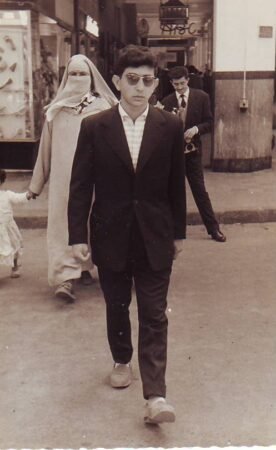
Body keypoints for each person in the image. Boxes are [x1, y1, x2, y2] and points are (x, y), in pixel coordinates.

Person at [68, 45, 186, 424]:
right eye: (132, 80)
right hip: (110, 233)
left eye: (147, 81)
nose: (139, 87)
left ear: (156, 83)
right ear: (117, 81)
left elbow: (175, 185)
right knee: (117, 306)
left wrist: (179, 233)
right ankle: (122, 358)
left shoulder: (169, 126)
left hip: (155, 234)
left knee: (154, 314)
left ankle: (156, 396)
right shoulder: (95, 126)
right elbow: (81, 184)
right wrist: (77, 235)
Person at [29, 54, 118, 302]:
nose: (78, 79)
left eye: (83, 74)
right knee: (61, 226)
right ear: (66, 78)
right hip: (62, 183)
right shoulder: (55, 112)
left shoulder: (104, 108)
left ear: (92, 79)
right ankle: (64, 278)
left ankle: (85, 266)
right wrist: (36, 185)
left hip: (97, 180)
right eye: (73, 74)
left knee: (93, 223)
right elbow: (44, 152)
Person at [161, 66, 226, 242]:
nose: (180, 87)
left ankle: (213, 229)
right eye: (176, 85)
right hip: (174, 155)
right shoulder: (166, 101)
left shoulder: (202, 97)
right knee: (173, 193)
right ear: (171, 83)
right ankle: (174, 232)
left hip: (193, 153)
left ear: (188, 80)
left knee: (199, 191)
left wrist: (196, 129)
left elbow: (209, 122)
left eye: (182, 83)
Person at [0, 169, 32, 278]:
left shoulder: (7, 195)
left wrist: (28, 195)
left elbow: (18, 198)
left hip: (7, 227)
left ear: (1, 182)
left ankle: (15, 267)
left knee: (14, 246)